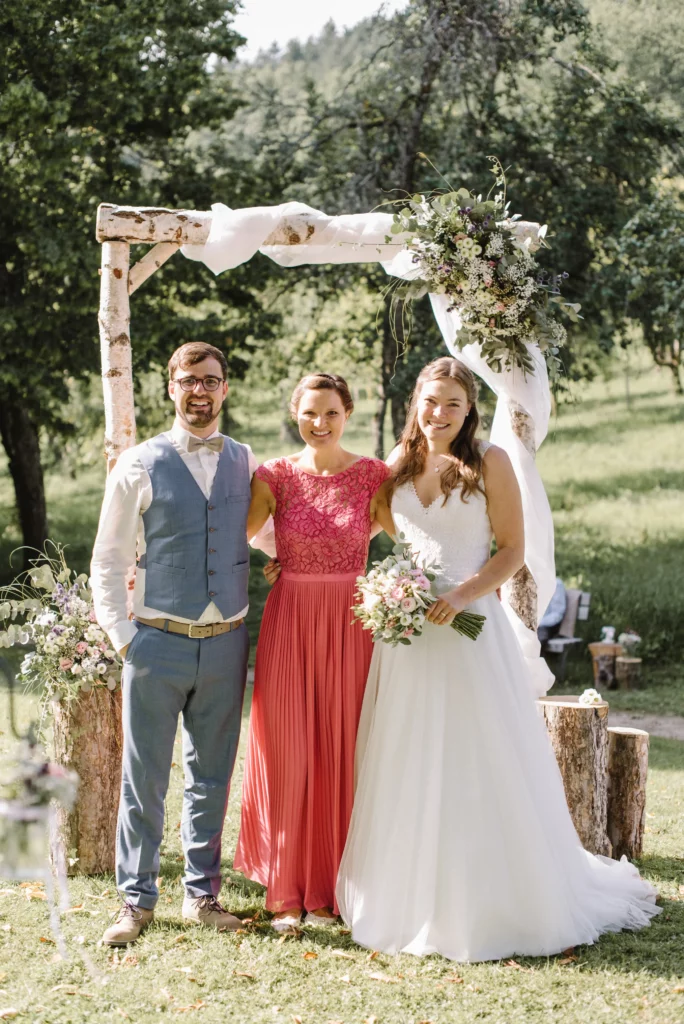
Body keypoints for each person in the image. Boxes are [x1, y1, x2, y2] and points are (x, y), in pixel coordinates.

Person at [337, 356, 660, 961]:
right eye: (431, 401)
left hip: (468, 629)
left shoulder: (490, 462)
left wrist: (460, 593)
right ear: (416, 401)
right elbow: (359, 534)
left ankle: (492, 896)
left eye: (453, 403)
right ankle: (411, 894)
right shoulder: (393, 469)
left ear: (469, 409)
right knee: (408, 754)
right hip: (407, 638)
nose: (439, 413)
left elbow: (512, 551)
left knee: (477, 754)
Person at [91, 342, 255, 946]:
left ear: (225, 388)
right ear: (171, 389)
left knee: (212, 774)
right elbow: (107, 559)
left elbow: (263, 534)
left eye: (210, 380)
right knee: (145, 777)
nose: (199, 391)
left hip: (226, 642)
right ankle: (135, 902)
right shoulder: (137, 463)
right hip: (156, 641)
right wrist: (123, 637)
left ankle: (201, 894)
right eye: (188, 381)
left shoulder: (244, 459)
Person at [234, 373, 391, 930]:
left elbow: (414, 539)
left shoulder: (374, 475)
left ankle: (330, 893)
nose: (319, 424)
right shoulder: (273, 475)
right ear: (294, 415)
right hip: (291, 623)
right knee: (290, 752)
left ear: (347, 412)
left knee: (341, 750)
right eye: (309, 414)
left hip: (352, 625)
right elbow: (235, 536)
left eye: (330, 413)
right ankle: (286, 892)